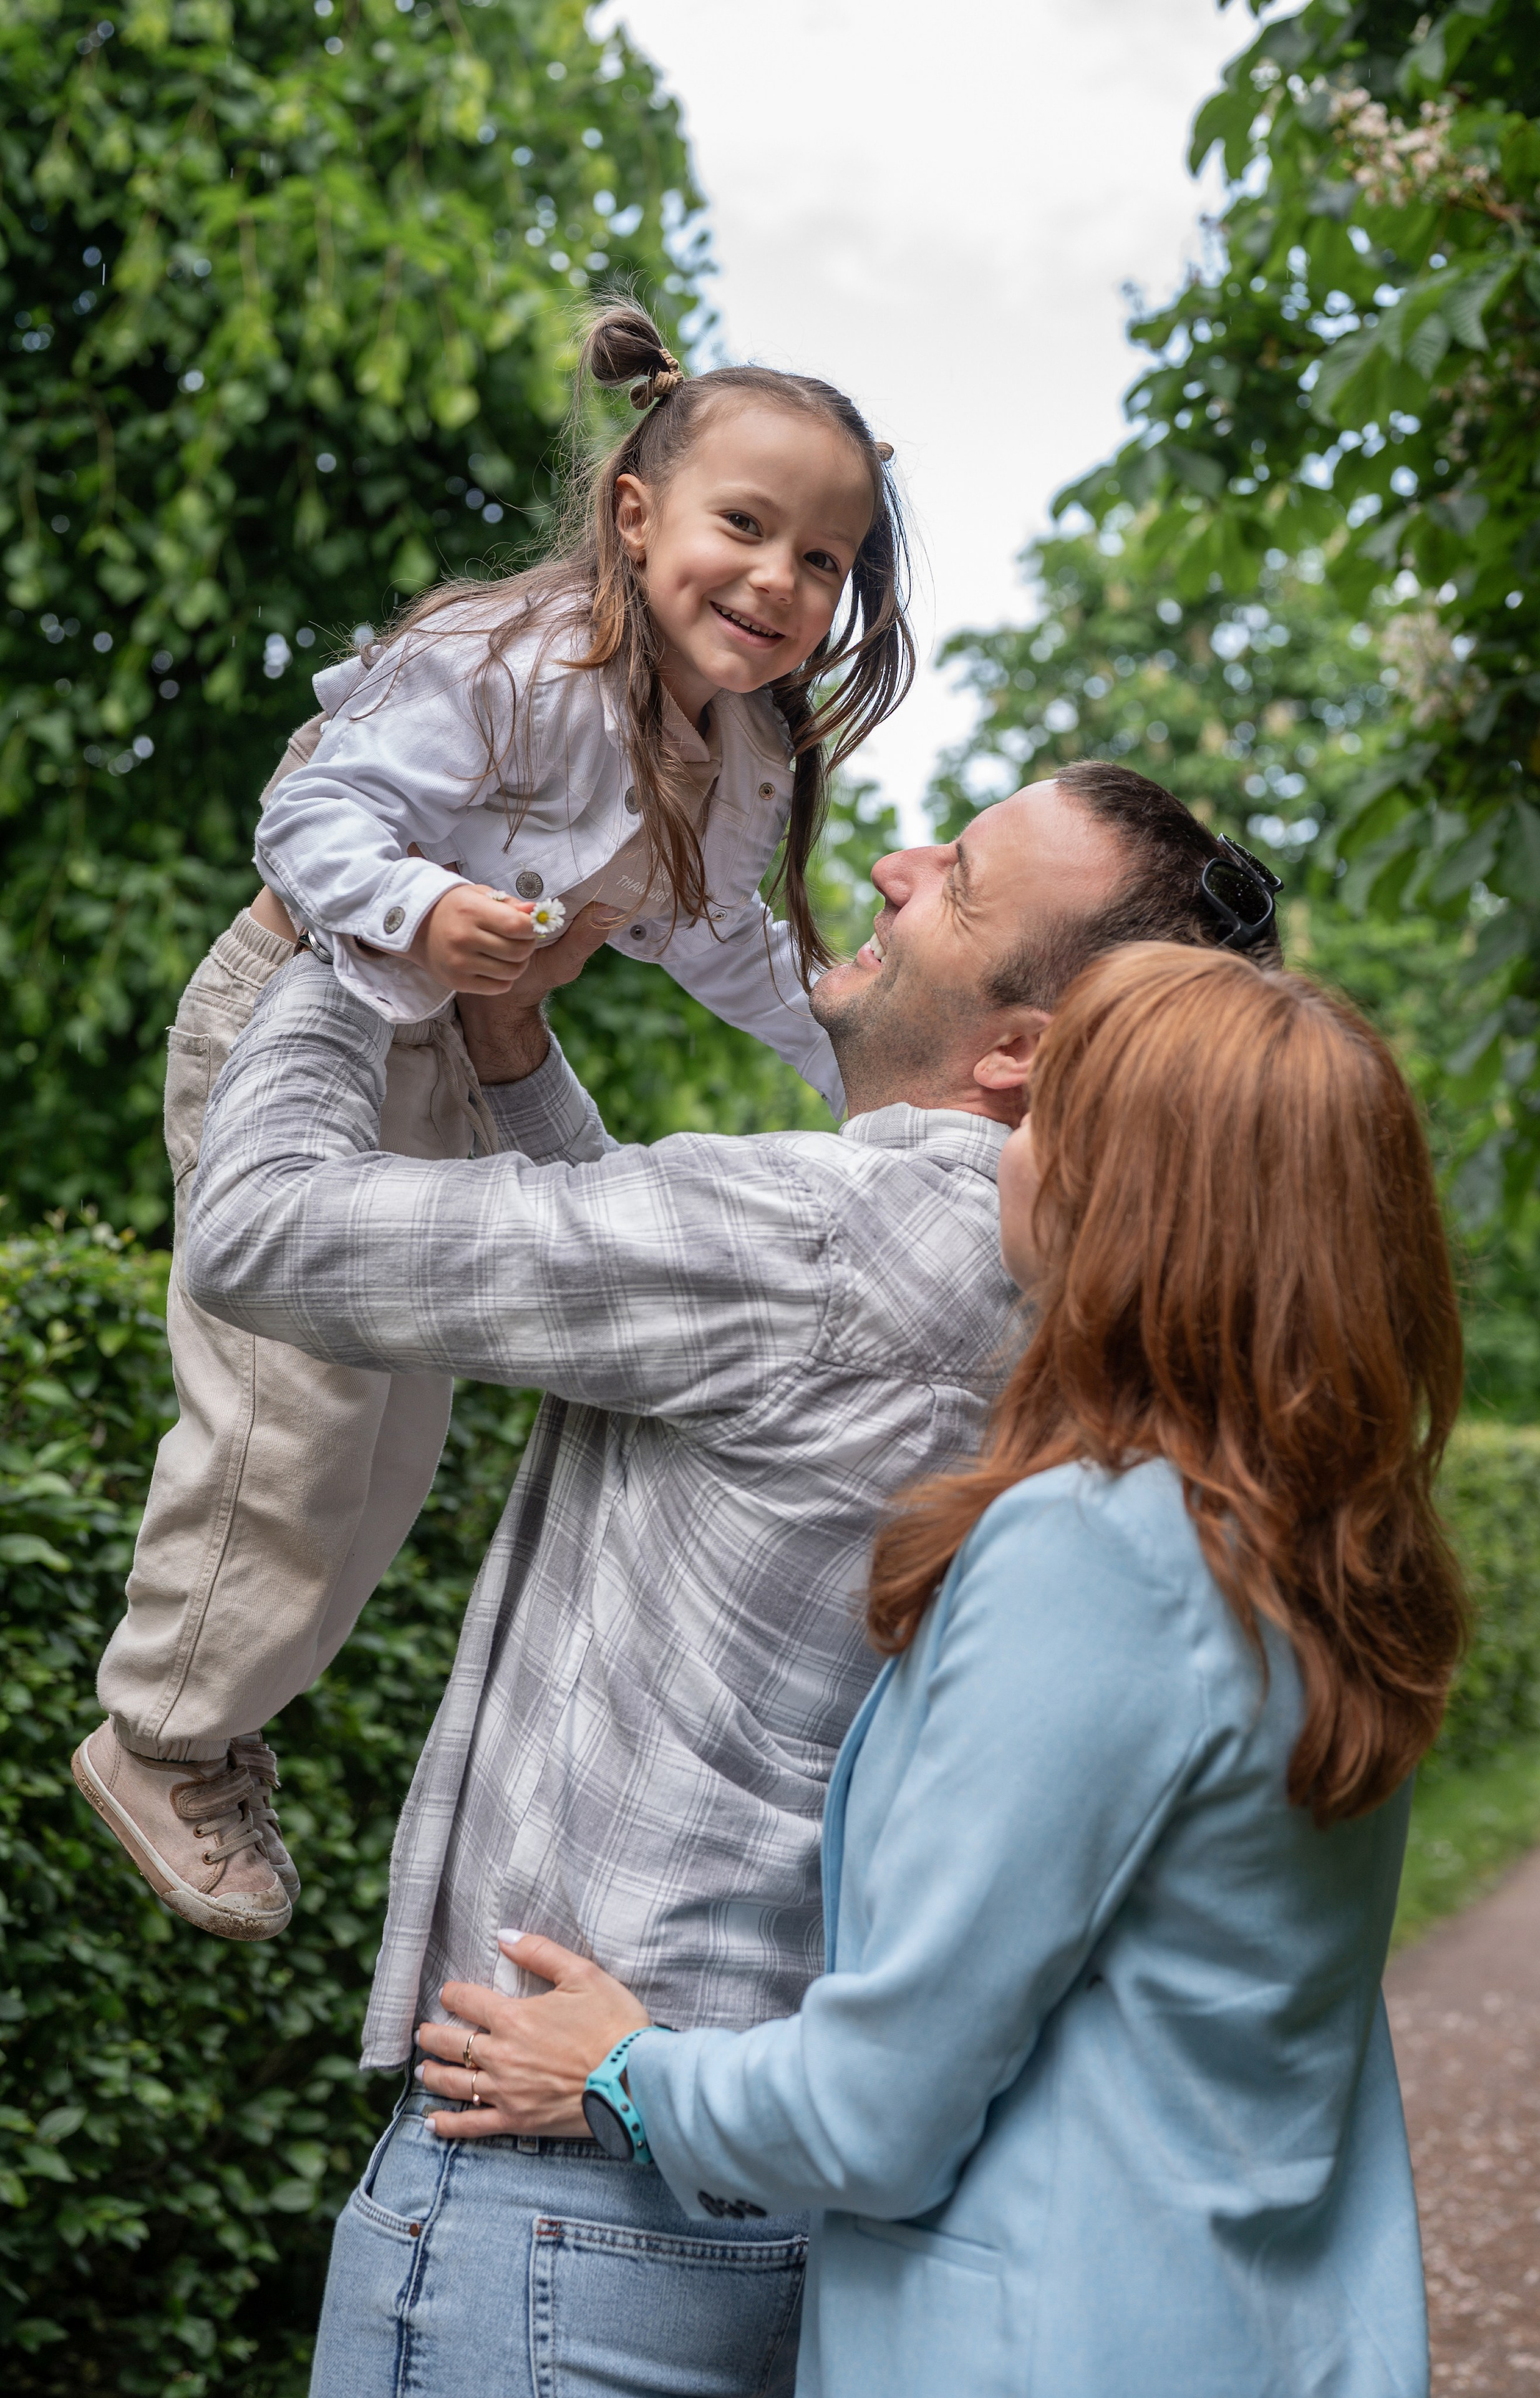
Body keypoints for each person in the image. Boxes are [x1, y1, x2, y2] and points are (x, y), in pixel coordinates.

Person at [178, 763, 1285, 2396]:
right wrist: (510, 1050)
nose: (895, 866)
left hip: (550, 2181)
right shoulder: (1066, 1289)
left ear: (1021, 1053)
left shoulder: (822, 1236)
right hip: (749, 2172)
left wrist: (356, 932)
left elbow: (262, 1229)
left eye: (961, 882)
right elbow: (694, 1331)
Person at [418, 939, 1467, 2398]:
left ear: (1132, 1201)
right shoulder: (1327, 1552)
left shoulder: (1099, 1552)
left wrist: (619, 2067)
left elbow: (877, 2110)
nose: (1005, 1151)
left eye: (1046, 1123)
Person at [73, 301, 911, 1942]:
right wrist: (418, 903)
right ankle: (158, 1728)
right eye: (748, 526)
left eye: (826, 561)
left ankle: (212, 1729)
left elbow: (730, 945)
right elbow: (312, 804)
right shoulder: (509, 660)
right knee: (292, 1414)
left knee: (387, 1450)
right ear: (634, 512)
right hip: (297, 1021)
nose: (783, 585)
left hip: (448, 1071)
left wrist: (872, 1076)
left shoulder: (738, 755)